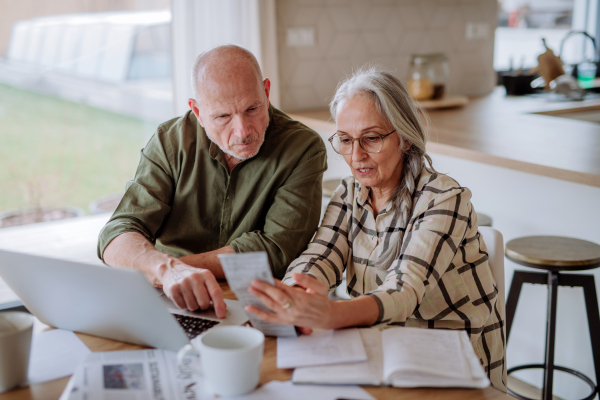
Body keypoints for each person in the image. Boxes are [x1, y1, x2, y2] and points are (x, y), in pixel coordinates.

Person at [245, 66, 506, 391]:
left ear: (405, 136)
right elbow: (322, 254)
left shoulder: (444, 200)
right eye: (345, 140)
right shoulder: (349, 192)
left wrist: (331, 314)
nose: (356, 156)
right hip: (384, 346)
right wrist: (298, 293)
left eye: (371, 138)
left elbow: (404, 290)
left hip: (456, 363)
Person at [97, 45, 327, 319]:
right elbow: (117, 232)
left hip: (256, 302)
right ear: (198, 111)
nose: (243, 131)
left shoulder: (303, 147)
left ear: (266, 93)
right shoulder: (170, 141)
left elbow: (278, 249)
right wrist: (167, 272)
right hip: (168, 296)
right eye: (223, 116)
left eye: (252, 108)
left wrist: (173, 268)